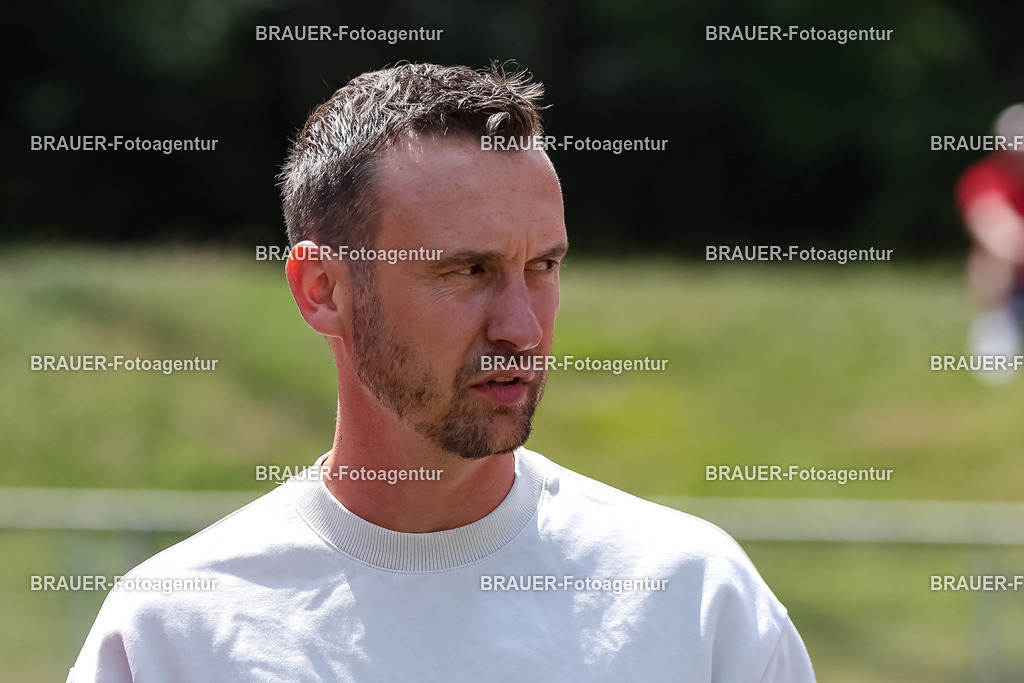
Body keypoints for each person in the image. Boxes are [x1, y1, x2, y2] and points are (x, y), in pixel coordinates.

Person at [69, 62, 815, 682]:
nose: (521, 327)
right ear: (322, 289)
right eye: (468, 269)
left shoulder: (694, 601)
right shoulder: (176, 631)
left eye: (543, 266)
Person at [958, 104, 1024, 381]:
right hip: (1010, 286)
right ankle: (997, 330)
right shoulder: (983, 180)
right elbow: (1001, 238)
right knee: (990, 258)